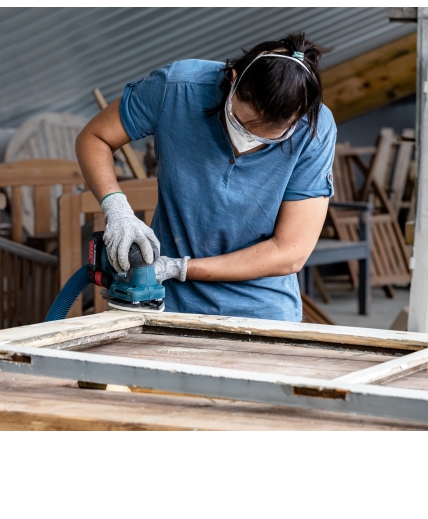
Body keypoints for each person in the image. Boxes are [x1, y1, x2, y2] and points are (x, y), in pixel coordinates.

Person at [76, 33, 336, 322]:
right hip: (167, 301)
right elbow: (95, 137)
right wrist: (116, 208)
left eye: (270, 138)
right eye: (244, 125)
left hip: (262, 307)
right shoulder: (177, 88)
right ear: (233, 79)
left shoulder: (315, 128)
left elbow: (289, 252)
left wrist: (179, 268)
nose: (249, 141)